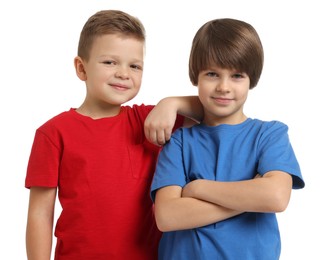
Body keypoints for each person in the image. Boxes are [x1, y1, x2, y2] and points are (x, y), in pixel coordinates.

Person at [25, 10, 202, 260]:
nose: (123, 73)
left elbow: (211, 109)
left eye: (134, 66)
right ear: (81, 67)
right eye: (110, 62)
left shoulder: (147, 119)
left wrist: (171, 103)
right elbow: (40, 214)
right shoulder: (53, 133)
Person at [150, 18, 305, 260]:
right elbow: (168, 216)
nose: (224, 86)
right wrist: (251, 196)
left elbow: (275, 197)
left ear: (251, 79)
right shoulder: (179, 142)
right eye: (212, 74)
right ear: (195, 76)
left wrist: (198, 188)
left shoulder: (270, 134)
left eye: (236, 76)